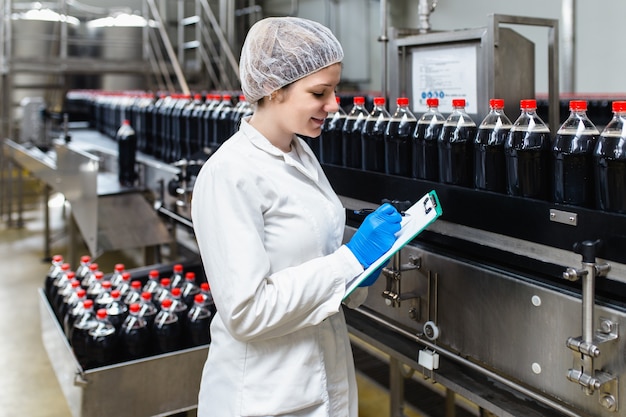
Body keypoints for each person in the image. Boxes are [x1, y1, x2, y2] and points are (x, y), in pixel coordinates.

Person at [191, 16, 402, 417]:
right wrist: (348, 260)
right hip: (262, 396)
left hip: (321, 379)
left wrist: (358, 275)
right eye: (320, 92)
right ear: (273, 90)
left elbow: (313, 264)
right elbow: (246, 312)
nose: (334, 104)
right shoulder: (229, 175)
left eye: (335, 90)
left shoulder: (300, 153)